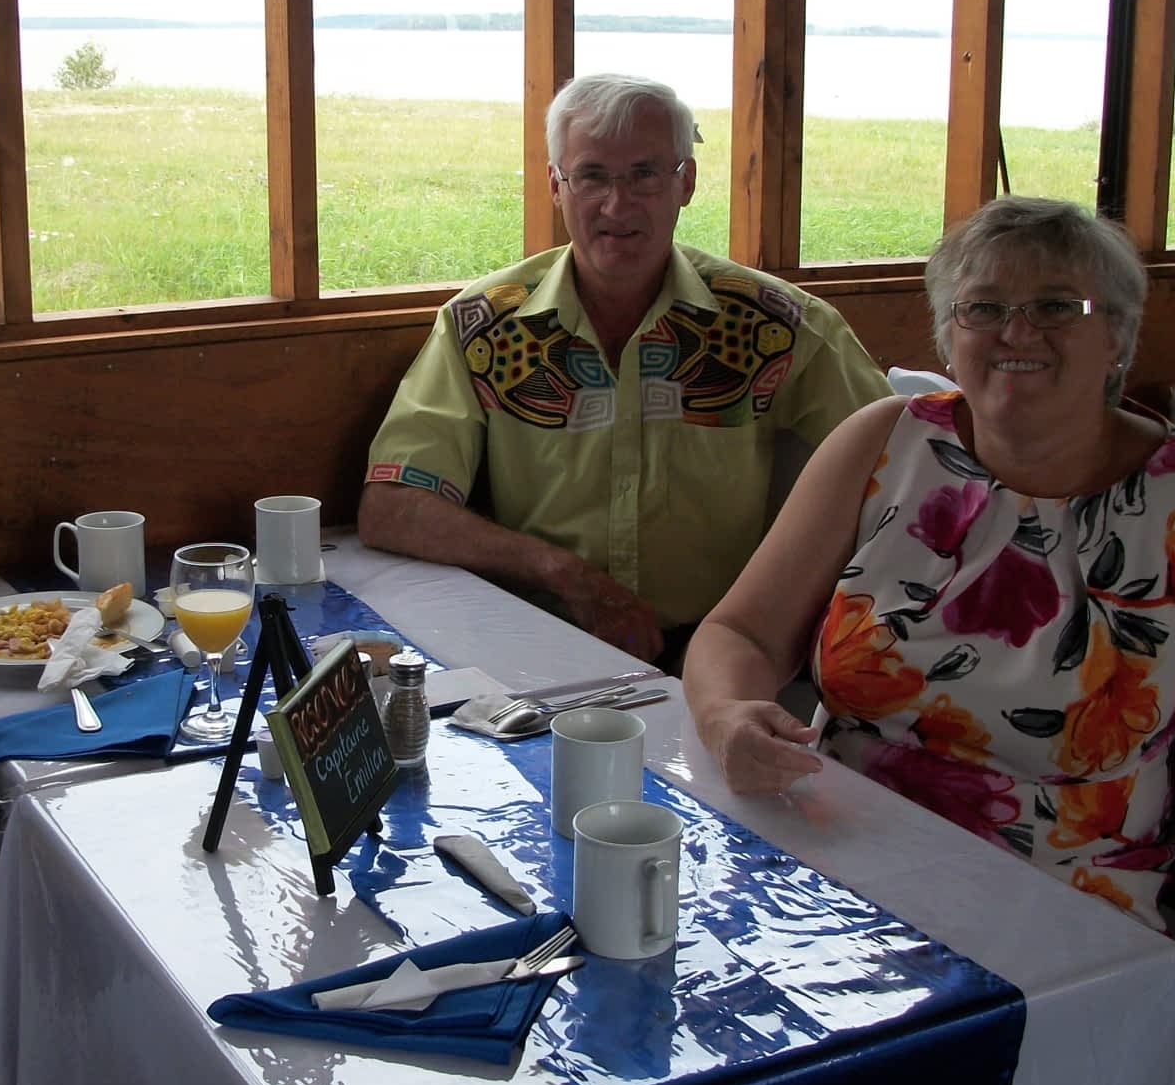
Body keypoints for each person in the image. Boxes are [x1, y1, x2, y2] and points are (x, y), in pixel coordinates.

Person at [682, 196, 1175, 1085]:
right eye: (985, 307)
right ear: (948, 329)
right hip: (835, 861)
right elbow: (741, 634)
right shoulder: (887, 441)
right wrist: (727, 715)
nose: (1017, 331)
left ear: (1117, 336)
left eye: (1056, 306)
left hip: (1056, 918)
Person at [358, 73, 889, 667]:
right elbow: (393, 506)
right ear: (555, 187)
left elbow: (906, 472)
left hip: (718, 655)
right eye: (591, 176)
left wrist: (789, 608)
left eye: (644, 174)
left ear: (685, 183)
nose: (618, 205)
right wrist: (562, 573)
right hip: (529, 641)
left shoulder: (780, 327)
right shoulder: (483, 327)